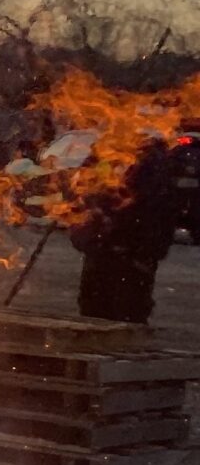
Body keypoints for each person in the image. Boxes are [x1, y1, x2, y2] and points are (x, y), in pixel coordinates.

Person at [74, 136, 180, 325]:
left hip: (131, 252)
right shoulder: (102, 154)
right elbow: (83, 191)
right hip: (104, 248)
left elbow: (159, 209)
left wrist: (146, 250)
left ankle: (121, 347)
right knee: (96, 307)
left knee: (126, 309)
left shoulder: (153, 165)